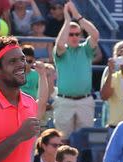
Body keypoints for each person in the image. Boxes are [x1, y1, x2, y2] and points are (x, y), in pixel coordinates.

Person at [53, 1, 99, 139]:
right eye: (71, 34)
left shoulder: (85, 49)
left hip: (84, 101)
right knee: (62, 141)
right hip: (64, 101)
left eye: (77, 34)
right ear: (66, 34)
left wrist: (77, 16)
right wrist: (67, 20)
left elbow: (95, 34)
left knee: (84, 142)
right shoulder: (61, 51)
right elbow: (60, 44)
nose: (74, 37)